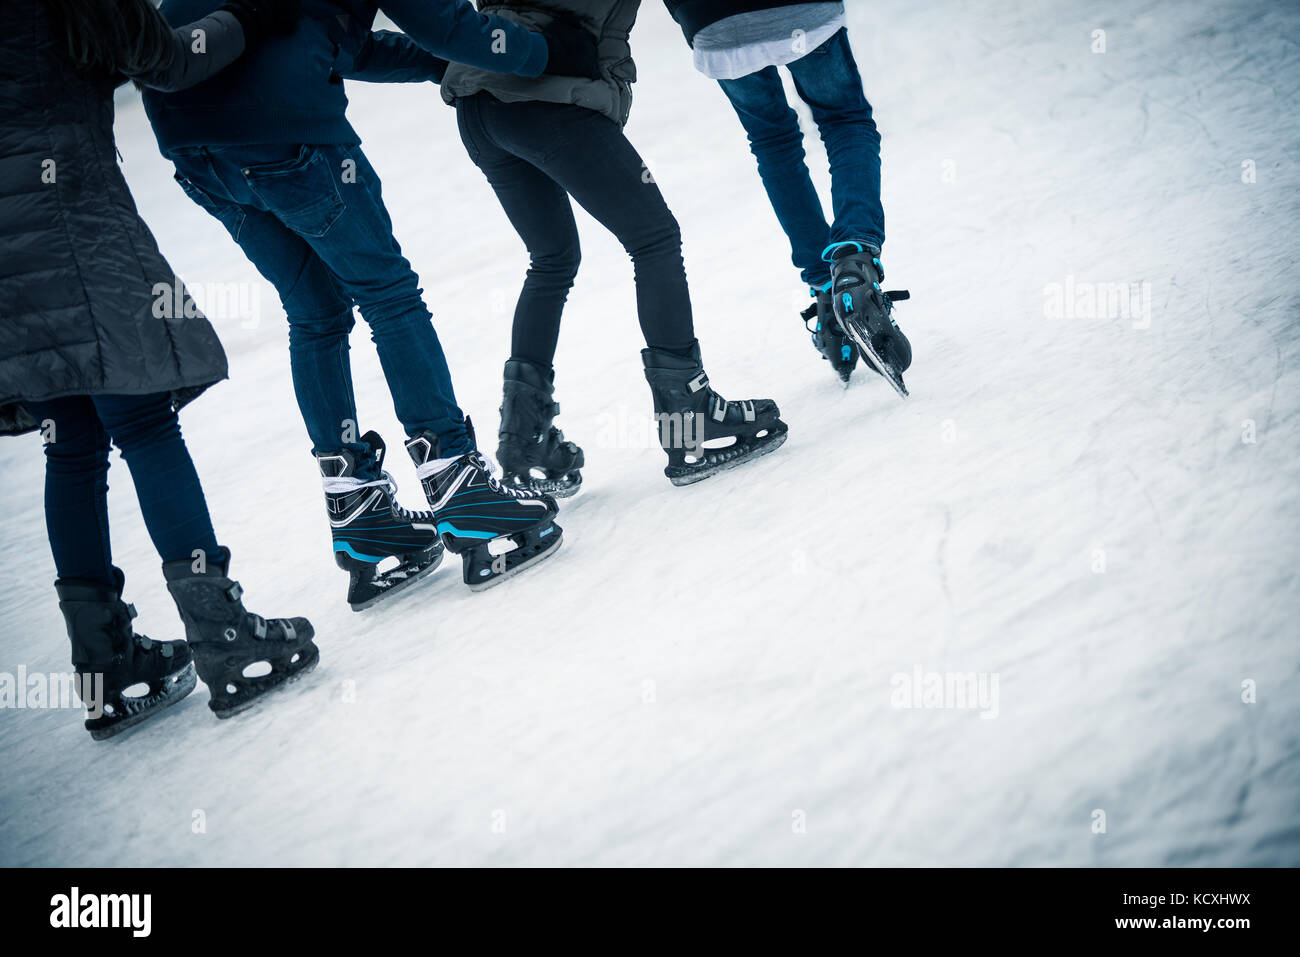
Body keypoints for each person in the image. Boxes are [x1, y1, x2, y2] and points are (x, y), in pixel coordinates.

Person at [141, 0, 597, 603]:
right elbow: (447, 23)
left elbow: (336, 41)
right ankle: (460, 490)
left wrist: (440, 64)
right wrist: (544, 52)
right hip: (288, 133)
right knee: (390, 297)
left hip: (194, 146)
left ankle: (358, 511)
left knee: (316, 314)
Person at [0, 0, 318, 738]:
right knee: (141, 416)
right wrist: (243, 17)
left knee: (70, 438)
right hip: (70, 214)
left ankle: (105, 666)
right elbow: (167, 62)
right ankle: (225, 635)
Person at [441, 0, 789, 492]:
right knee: (655, 239)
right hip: (544, 93)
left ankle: (523, 438)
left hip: (481, 105)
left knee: (552, 258)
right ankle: (690, 422)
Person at [664, 0, 914, 394]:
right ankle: (854, 264)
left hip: (713, 18)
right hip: (798, 9)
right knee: (844, 120)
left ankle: (828, 294)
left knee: (773, 143)